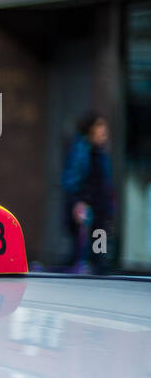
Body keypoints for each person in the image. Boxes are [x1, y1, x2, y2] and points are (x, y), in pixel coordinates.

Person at [62, 112, 115, 274]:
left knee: (100, 252)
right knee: (81, 251)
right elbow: (71, 179)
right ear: (90, 130)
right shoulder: (81, 151)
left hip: (100, 209)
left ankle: (98, 271)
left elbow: (105, 183)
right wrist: (78, 201)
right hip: (86, 207)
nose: (103, 132)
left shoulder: (101, 154)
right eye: (99, 127)